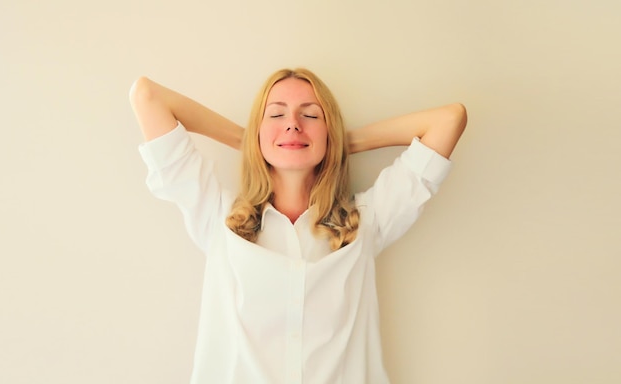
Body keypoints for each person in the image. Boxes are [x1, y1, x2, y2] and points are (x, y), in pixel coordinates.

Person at [129, 68, 466, 384]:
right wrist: (250, 141)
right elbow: (148, 96)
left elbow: (449, 120)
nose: (292, 124)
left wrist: (339, 144)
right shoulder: (218, 216)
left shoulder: (366, 221)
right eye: (276, 115)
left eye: (310, 115)